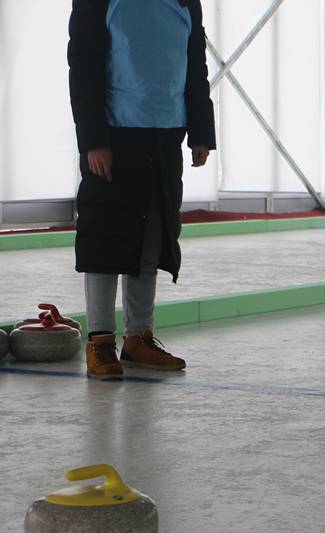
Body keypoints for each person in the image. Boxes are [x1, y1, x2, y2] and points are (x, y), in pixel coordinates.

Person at [68, 0, 216, 379]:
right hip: (114, 136)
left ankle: (138, 338)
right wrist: (93, 140)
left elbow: (195, 64)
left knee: (152, 237)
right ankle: (100, 341)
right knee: (105, 238)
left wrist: (201, 131)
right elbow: (82, 65)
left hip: (167, 132)